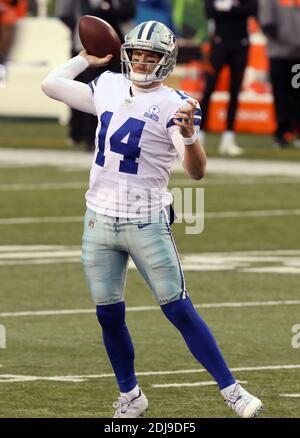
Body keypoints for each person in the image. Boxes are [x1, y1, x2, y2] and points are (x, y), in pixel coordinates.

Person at [41, 20, 263, 418]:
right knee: (108, 314)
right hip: (98, 218)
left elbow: (196, 173)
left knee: (177, 307)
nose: (142, 63)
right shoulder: (107, 85)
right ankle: (130, 396)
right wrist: (83, 58)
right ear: (127, 55)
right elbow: (51, 85)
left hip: (145, 219)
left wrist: (191, 138)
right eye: (138, 55)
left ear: (166, 61)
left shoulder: (175, 104)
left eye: (151, 57)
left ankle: (233, 391)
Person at [200, 0, 257, 156]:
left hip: (240, 44)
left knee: (235, 91)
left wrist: (228, 8)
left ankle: (229, 136)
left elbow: (251, 9)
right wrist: (234, 9)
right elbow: (209, 12)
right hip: (219, 44)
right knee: (209, 88)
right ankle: (199, 134)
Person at [258, 0, 300, 149]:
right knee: (281, 94)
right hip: (279, 53)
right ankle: (282, 133)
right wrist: (269, 27)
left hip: (298, 55)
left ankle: (296, 130)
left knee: (297, 93)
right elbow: (266, 19)